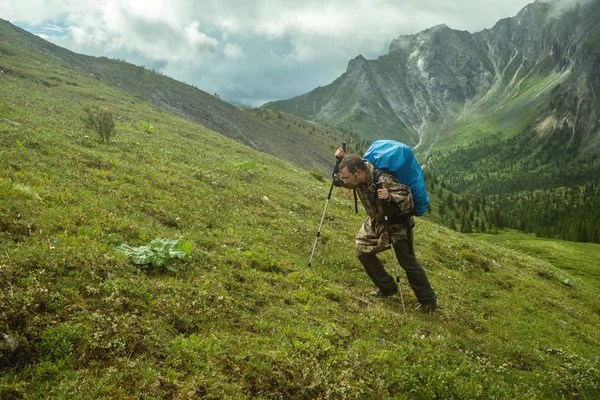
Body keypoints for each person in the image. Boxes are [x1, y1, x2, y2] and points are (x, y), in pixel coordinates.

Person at [334, 148, 437, 313]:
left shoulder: (384, 180)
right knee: (362, 251)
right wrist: (339, 162)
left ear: (358, 173)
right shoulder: (355, 178)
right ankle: (387, 287)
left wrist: (390, 197)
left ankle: (428, 301)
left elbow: (408, 202)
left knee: (408, 263)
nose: (344, 181)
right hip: (376, 221)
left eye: (347, 177)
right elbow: (337, 181)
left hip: (397, 224)